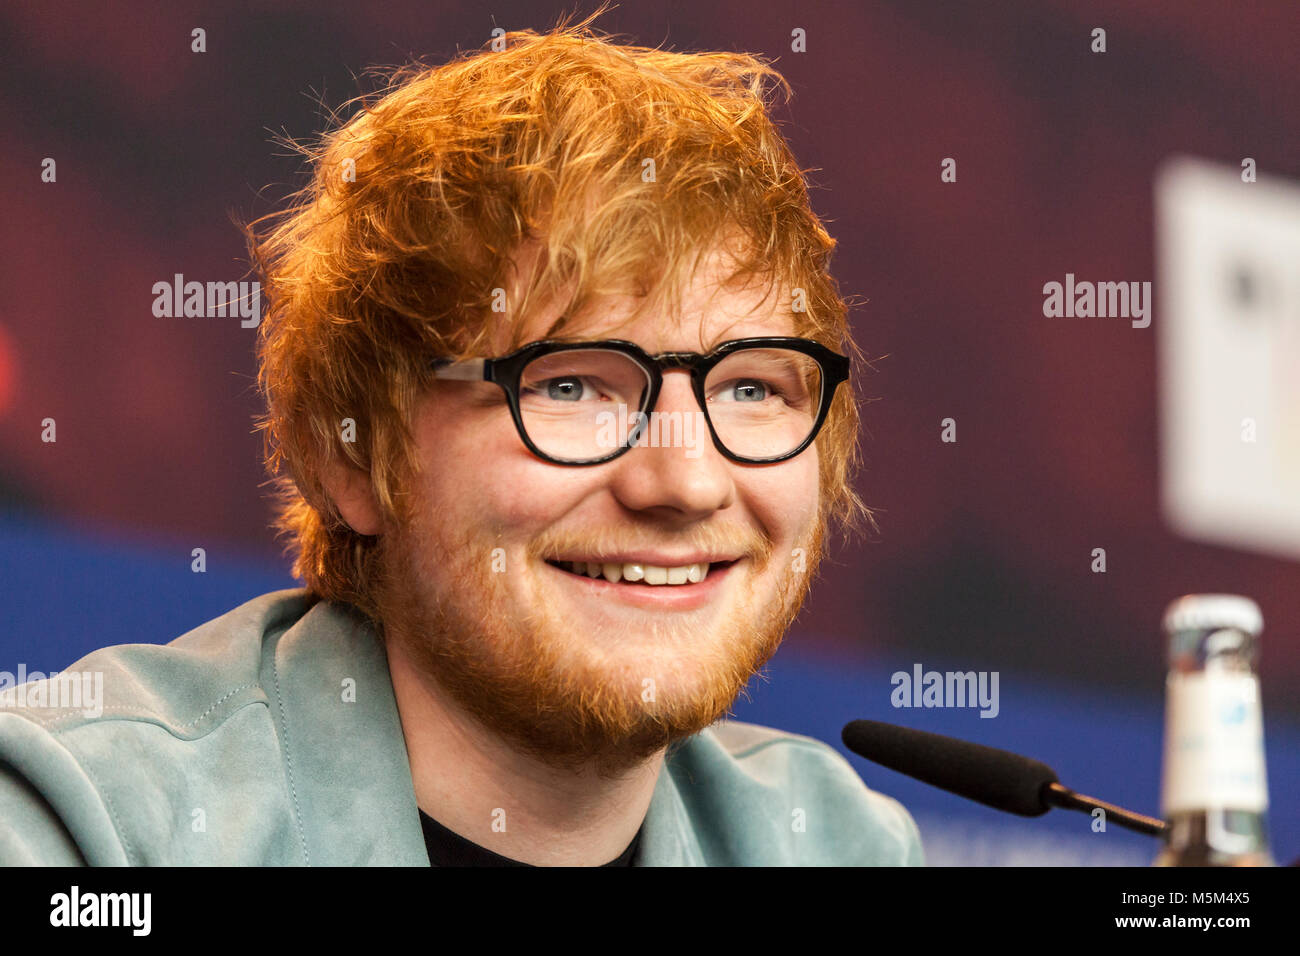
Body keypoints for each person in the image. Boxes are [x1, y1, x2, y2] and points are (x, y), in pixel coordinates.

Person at [0, 13, 922, 866]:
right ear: (353, 457)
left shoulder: (836, 843)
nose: (684, 481)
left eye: (752, 387)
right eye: (569, 386)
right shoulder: (87, 825)